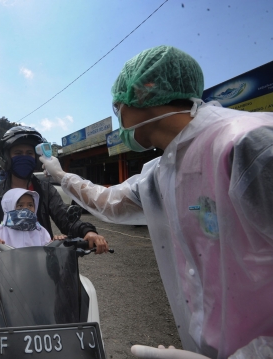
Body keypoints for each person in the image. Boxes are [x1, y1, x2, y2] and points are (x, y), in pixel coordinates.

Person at [40, 45, 273, 359]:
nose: (118, 112)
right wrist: (61, 176)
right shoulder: (165, 173)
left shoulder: (249, 143)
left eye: (118, 102)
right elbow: (108, 202)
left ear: (145, 90)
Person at [0, 125, 109, 344]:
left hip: (43, 269)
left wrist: (88, 233)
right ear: (7, 157)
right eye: (18, 153)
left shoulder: (46, 190)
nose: (24, 158)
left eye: (29, 153)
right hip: (0, 268)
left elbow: (66, 218)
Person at [0, 188, 66, 343]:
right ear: (8, 206)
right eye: (19, 205)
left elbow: (49, 252)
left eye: (30, 205)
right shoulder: (0, 231)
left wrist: (57, 240)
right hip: (7, 280)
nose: (26, 209)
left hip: (37, 280)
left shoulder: (41, 231)